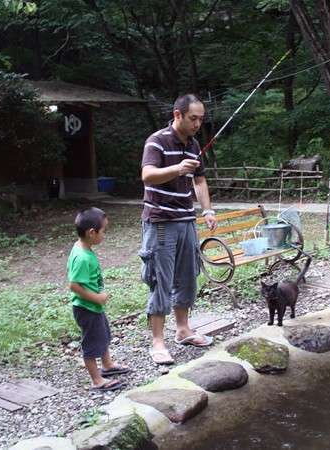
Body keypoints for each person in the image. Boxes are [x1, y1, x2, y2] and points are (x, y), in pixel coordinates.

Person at [140, 94, 218, 365]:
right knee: (161, 280)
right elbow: (147, 174)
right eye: (193, 118)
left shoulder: (194, 144)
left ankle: (183, 330)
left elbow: (199, 181)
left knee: (187, 276)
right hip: (161, 221)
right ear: (178, 115)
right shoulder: (157, 141)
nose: (198, 124)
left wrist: (207, 210)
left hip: (186, 220)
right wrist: (176, 168)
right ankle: (158, 342)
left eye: (201, 119)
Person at [67, 207, 130, 391]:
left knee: (102, 335)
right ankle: (97, 380)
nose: (105, 235)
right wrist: (97, 298)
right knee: (92, 343)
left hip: (93, 306)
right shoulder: (82, 258)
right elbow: (74, 285)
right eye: (104, 231)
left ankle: (108, 365)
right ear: (91, 232)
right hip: (86, 307)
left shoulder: (82, 247)